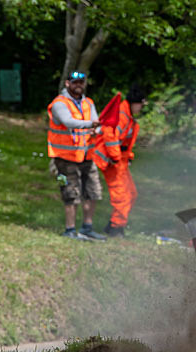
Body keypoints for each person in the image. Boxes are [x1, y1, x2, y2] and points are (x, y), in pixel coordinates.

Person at [47, 71, 107, 240]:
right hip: (63, 159)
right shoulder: (59, 103)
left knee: (93, 191)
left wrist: (98, 129)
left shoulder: (89, 103)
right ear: (67, 83)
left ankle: (87, 228)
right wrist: (91, 124)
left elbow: (97, 124)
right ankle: (70, 230)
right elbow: (68, 122)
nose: (78, 85)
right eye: (75, 82)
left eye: (81, 82)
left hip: (87, 155)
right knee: (69, 193)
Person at [91, 84, 146, 238]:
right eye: (140, 105)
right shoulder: (122, 115)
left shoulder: (127, 115)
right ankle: (116, 229)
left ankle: (112, 225)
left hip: (120, 161)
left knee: (131, 193)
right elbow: (110, 135)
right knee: (121, 196)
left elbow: (124, 141)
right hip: (111, 162)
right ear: (135, 103)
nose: (141, 108)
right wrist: (115, 157)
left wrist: (127, 158)